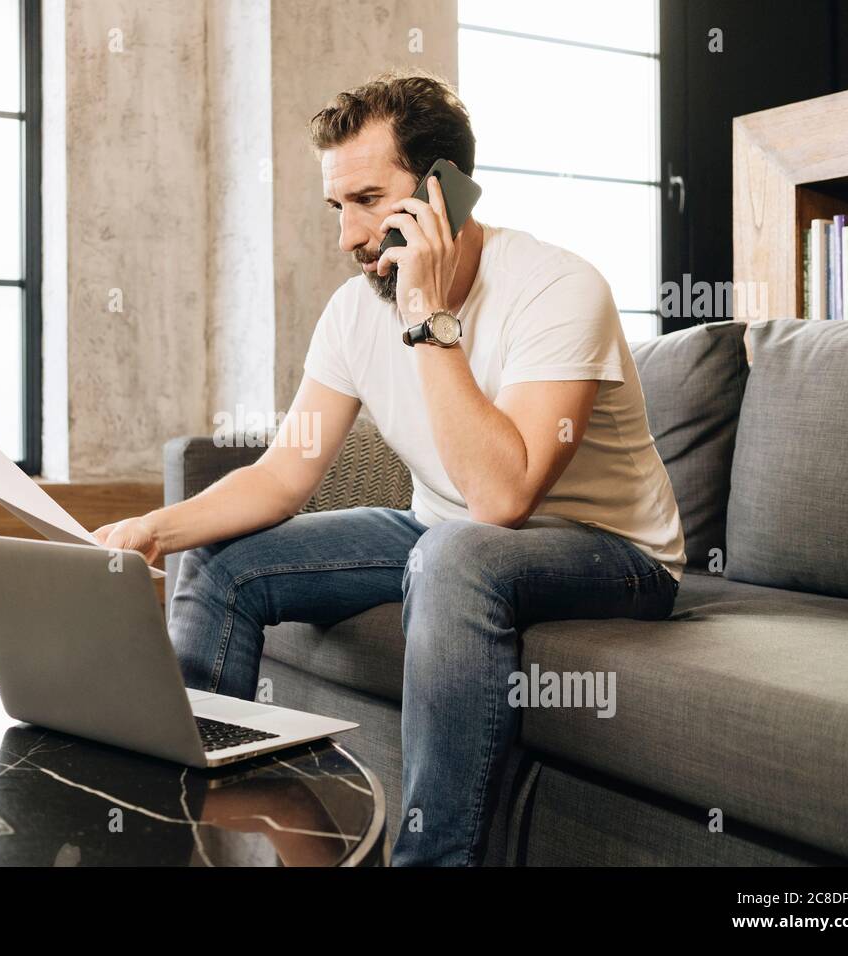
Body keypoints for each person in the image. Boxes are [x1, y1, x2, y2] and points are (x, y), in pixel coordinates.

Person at [94, 70, 685, 865]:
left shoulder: (558, 287)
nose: (346, 236)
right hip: (442, 534)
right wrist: (152, 529)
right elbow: (283, 476)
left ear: (446, 193)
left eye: (368, 201)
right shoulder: (350, 314)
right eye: (338, 207)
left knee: (455, 550)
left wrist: (428, 317)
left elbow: (501, 497)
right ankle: (187, 836)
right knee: (224, 560)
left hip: (610, 552)